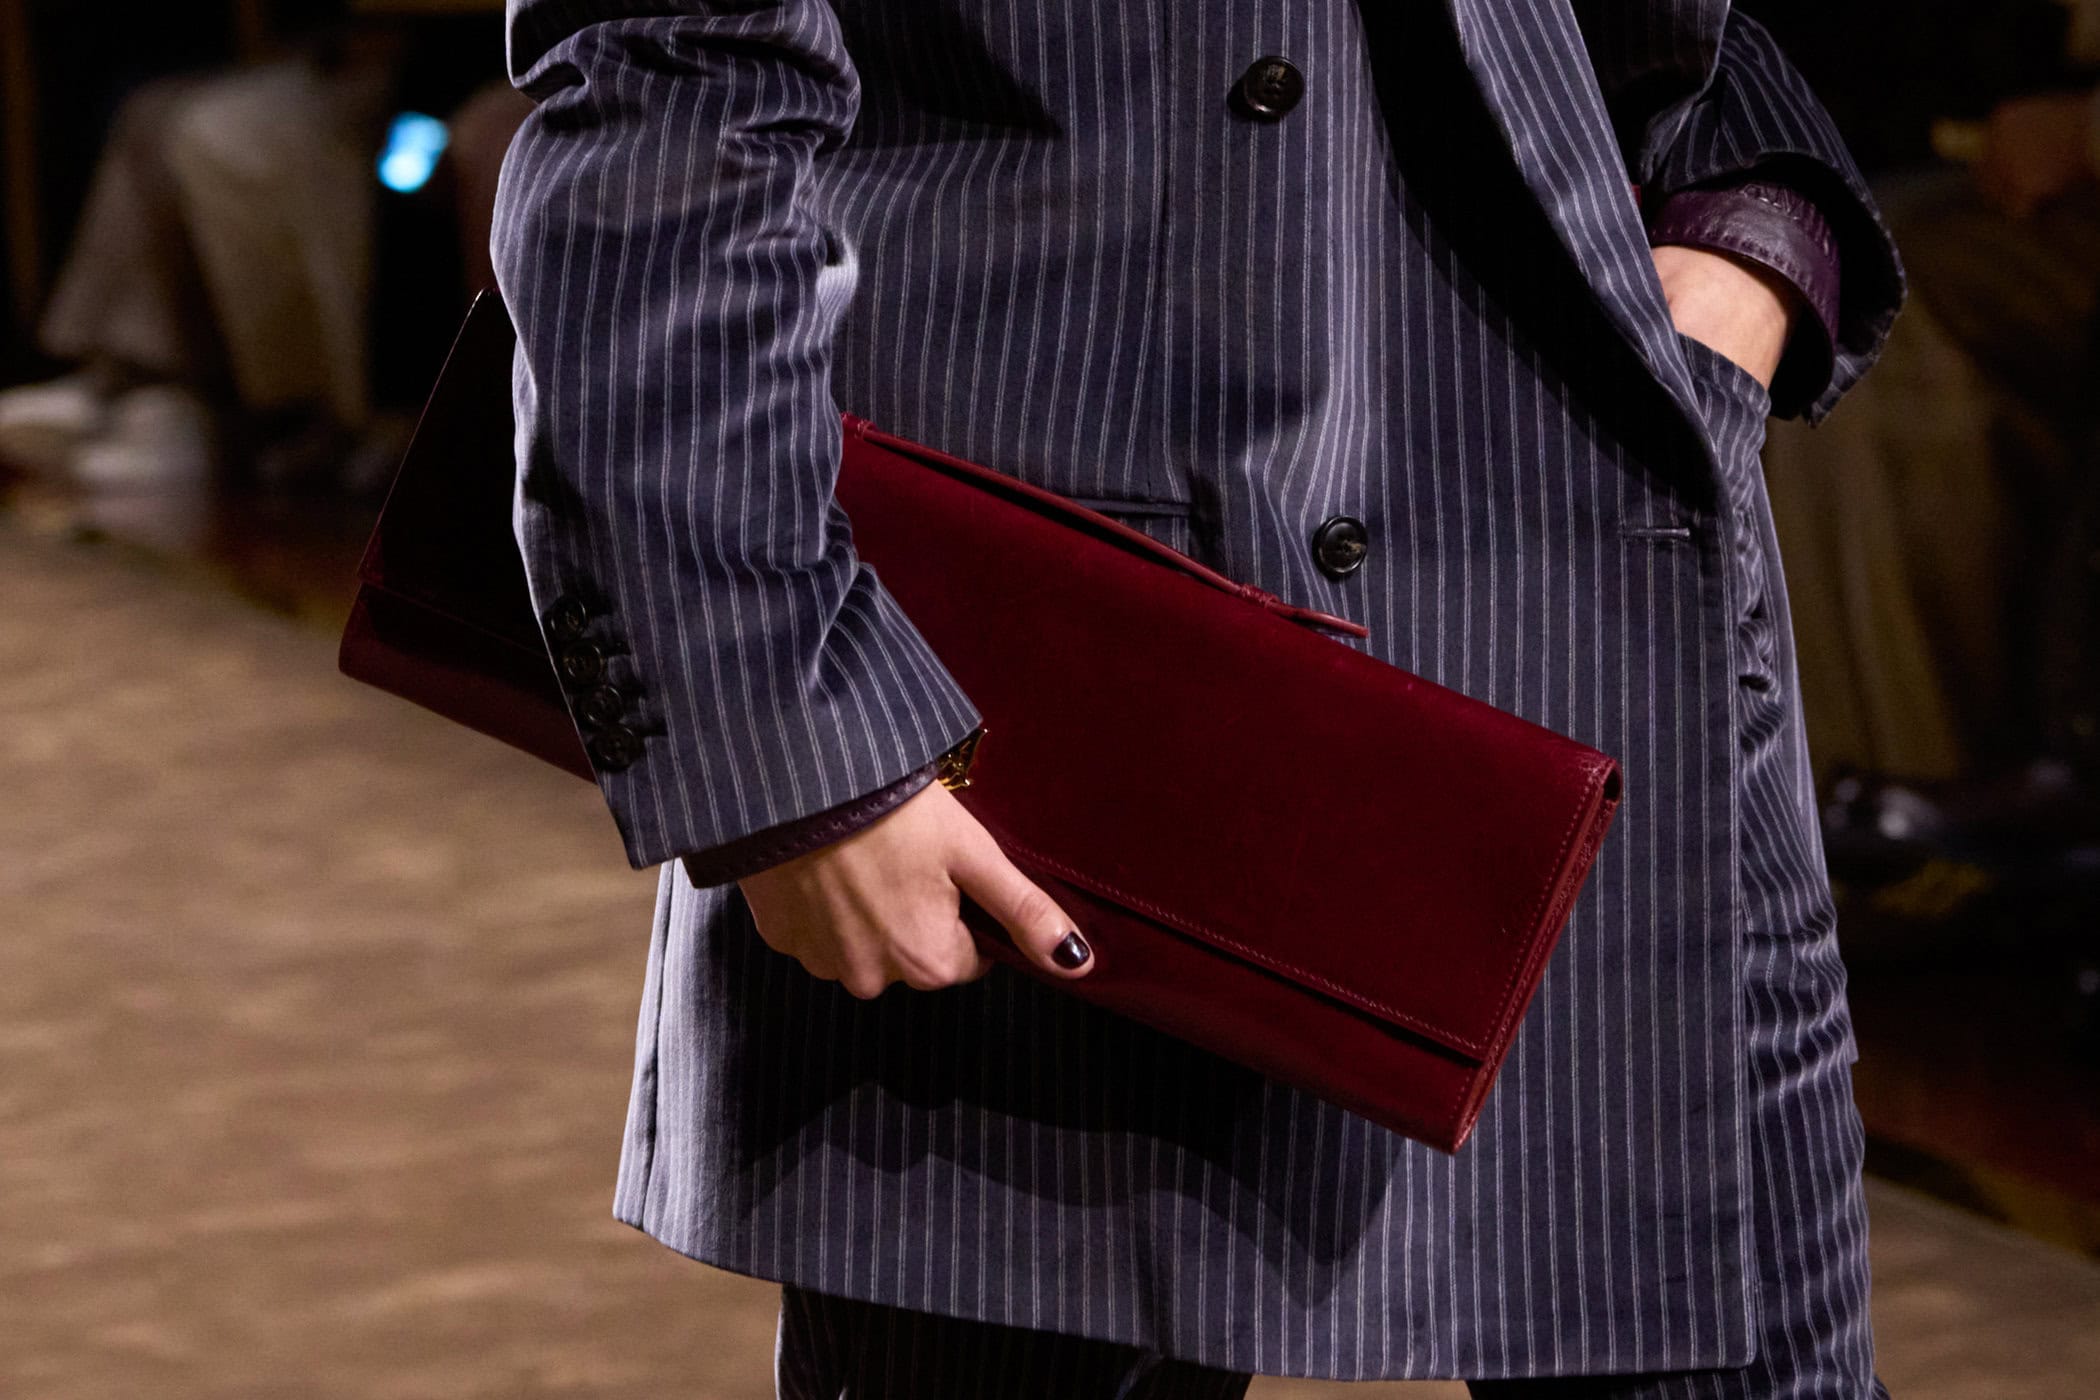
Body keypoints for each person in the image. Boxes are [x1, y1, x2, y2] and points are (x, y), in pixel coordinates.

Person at [492, 2, 1904, 1395]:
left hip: (1602, 605)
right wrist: (788, 723)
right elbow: (667, 76)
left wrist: (1751, 233)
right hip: (1048, 690)